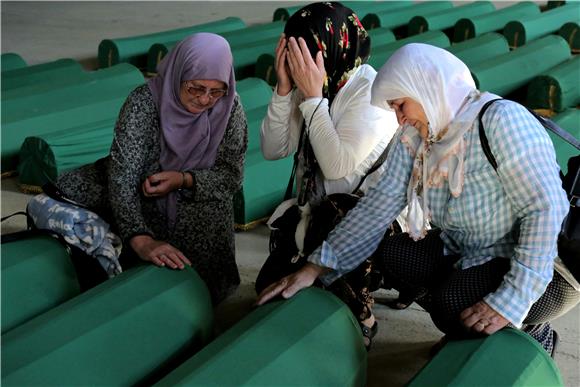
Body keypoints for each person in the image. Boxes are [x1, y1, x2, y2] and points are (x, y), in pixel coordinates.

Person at [257, 43, 580, 356]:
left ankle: (533, 332)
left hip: (548, 266)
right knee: (394, 253)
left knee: (450, 302)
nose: (399, 118)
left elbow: (545, 210)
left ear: (427, 88)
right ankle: (466, 326)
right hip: (475, 251)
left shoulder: (502, 120)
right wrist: (313, 268)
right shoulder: (420, 136)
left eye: (400, 105)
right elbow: (377, 207)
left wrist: (510, 300)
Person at [55, 33, 248, 305]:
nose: (205, 100)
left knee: (202, 297)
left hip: (205, 227)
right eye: (195, 88)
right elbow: (122, 176)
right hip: (147, 217)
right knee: (143, 294)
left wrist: (185, 180)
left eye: (216, 90)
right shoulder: (145, 103)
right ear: (179, 74)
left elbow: (231, 176)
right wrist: (140, 237)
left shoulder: (230, 107)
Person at [256, 1, 401, 350]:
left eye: (304, 54)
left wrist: (311, 97)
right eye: (290, 52)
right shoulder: (318, 83)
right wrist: (284, 90)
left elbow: (337, 166)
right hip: (317, 213)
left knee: (333, 222)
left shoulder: (371, 94)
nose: (296, 63)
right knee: (269, 288)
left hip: (365, 223)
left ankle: (363, 313)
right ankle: (322, 276)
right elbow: (274, 148)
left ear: (331, 50)